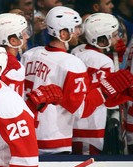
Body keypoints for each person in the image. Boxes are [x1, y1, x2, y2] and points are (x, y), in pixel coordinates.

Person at [21, 6, 133, 155]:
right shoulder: (71, 63)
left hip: (28, 135)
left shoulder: (30, 54)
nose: (79, 32)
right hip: (54, 139)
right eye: (74, 29)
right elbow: (82, 109)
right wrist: (105, 90)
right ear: (63, 33)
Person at [71, 13, 131, 155]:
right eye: (115, 35)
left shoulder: (77, 50)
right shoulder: (103, 61)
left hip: (72, 124)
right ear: (103, 39)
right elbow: (106, 99)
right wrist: (126, 94)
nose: (118, 38)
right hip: (89, 125)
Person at [0, 12, 30, 97]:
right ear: (13, 41)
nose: (27, 36)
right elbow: (15, 106)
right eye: (24, 33)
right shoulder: (15, 69)